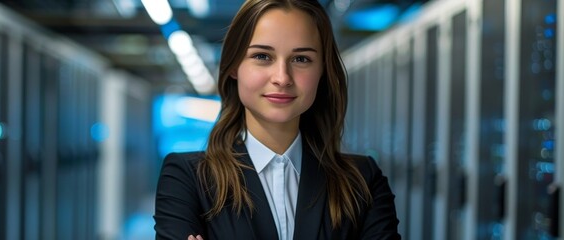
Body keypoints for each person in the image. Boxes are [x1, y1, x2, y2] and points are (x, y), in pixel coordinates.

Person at [154, 0, 401, 239]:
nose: (282, 78)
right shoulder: (188, 179)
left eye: (301, 59)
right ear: (233, 66)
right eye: (262, 56)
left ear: (322, 72)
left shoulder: (362, 180)